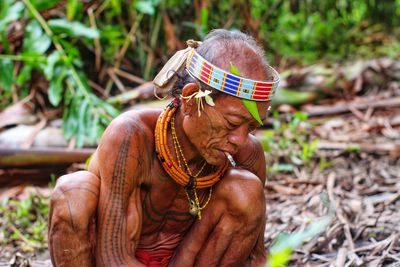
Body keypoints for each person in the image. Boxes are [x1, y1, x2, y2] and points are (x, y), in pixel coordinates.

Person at [48, 29, 280, 267]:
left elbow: (255, 257)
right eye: (232, 124)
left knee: (247, 191)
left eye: (251, 127)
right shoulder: (130, 137)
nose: (240, 140)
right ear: (190, 101)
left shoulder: (248, 155)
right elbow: (112, 258)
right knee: (73, 192)